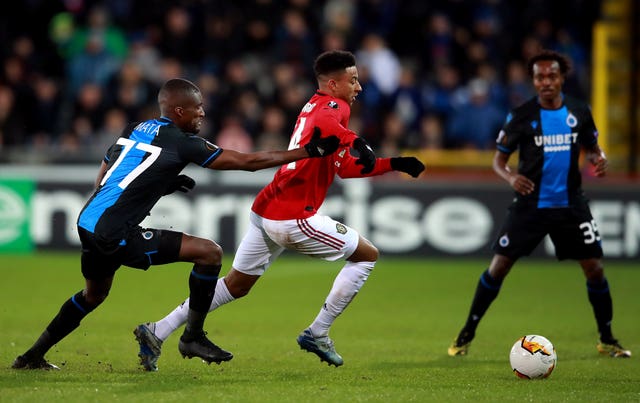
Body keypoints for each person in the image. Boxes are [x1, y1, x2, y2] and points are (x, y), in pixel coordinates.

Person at [12, 78, 340, 370]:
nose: (202, 114)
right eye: (197, 109)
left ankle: (30, 357)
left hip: (89, 221)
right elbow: (247, 162)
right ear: (179, 110)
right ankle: (192, 337)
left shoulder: (135, 128)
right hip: (114, 233)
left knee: (93, 295)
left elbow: (110, 166)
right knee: (209, 253)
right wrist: (306, 151)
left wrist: (156, 185)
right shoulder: (183, 141)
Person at [133, 50, 426, 371]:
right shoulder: (333, 107)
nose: (358, 88)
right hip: (292, 216)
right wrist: (356, 140)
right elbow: (329, 124)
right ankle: (318, 331)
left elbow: (344, 168)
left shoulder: (316, 105)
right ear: (333, 83)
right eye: (353, 80)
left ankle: (157, 330)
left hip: (266, 208)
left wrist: (392, 163)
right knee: (367, 255)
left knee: (236, 285)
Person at [447, 50, 631, 358]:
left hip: (571, 205)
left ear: (561, 78)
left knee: (594, 268)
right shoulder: (521, 116)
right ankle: (466, 334)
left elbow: (593, 149)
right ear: (533, 81)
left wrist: (599, 160)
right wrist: (510, 178)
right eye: (539, 77)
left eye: (552, 76)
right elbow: (498, 161)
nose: (546, 82)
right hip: (530, 205)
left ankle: (607, 338)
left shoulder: (579, 111)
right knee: (499, 267)